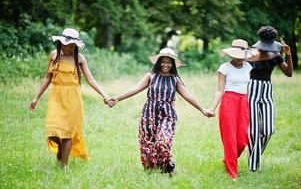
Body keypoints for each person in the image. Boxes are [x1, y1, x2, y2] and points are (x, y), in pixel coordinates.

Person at [109, 47, 208, 176]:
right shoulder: (150, 76)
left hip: (168, 114)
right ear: (159, 62)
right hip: (149, 114)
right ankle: (152, 170)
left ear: (173, 64)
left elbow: (187, 95)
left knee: (163, 141)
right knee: (148, 144)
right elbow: (135, 89)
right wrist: (117, 98)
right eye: (163, 61)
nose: (166, 65)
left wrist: (202, 109)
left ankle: (169, 166)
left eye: (169, 62)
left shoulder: (175, 79)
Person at [29, 28, 113, 168]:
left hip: (73, 98)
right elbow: (47, 77)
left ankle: (64, 166)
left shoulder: (79, 59)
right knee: (53, 131)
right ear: (60, 43)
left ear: (76, 46)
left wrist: (105, 96)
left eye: (72, 46)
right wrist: (36, 97)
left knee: (67, 132)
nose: (68, 49)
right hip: (56, 97)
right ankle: (62, 149)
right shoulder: (53, 55)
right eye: (66, 45)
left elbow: (90, 79)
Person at [207, 39, 256, 180]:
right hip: (229, 102)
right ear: (232, 54)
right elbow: (219, 90)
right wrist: (212, 108)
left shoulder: (249, 67)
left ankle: (229, 158)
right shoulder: (224, 68)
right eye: (237, 55)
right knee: (229, 139)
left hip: (244, 103)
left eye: (242, 56)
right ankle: (232, 174)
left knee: (242, 140)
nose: (239, 59)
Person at [247, 26, 293, 172]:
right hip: (251, 89)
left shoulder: (275, 55)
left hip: (267, 90)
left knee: (268, 130)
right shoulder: (250, 54)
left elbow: (289, 73)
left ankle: (254, 157)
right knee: (253, 131)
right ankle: (253, 167)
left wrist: (289, 55)